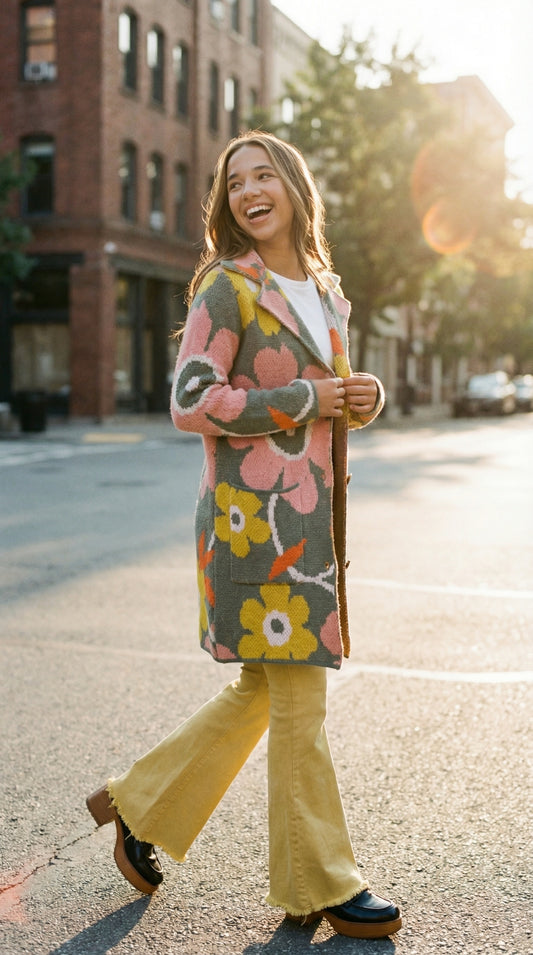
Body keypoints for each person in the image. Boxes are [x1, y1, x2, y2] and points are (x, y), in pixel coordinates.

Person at [86, 130, 402, 940]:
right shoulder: (227, 288)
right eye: (235, 183)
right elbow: (191, 399)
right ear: (226, 205)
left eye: (265, 175)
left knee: (267, 691)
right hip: (253, 526)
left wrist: (356, 397)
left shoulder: (324, 292)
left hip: (309, 528)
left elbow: (321, 399)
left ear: (295, 187)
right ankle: (320, 880)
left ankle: (137, 804)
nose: (250, 190)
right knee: (299, 699)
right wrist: (308, 398)